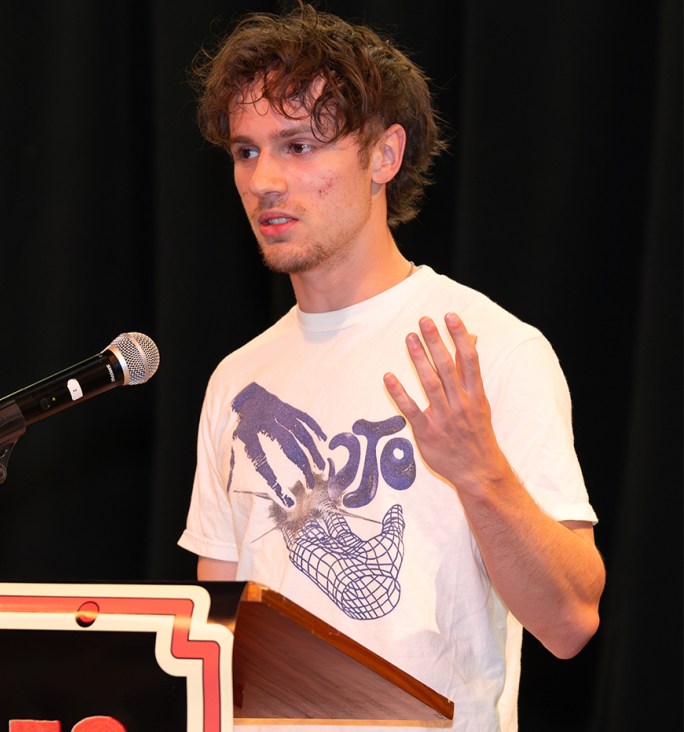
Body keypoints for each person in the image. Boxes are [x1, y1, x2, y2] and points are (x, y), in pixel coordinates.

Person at [176, 4, 606, 731]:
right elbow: (214, 636)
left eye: (300, 146)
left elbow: (570, 622)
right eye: (247, 152)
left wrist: (479, 470)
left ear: (384, 155)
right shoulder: (236, 381)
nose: (264, 182)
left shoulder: (489, 349)